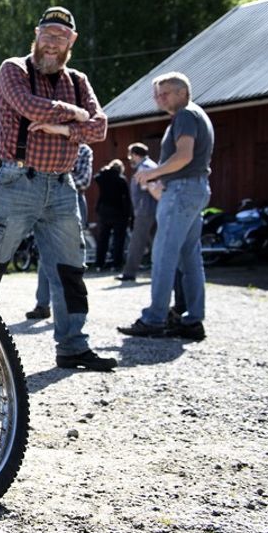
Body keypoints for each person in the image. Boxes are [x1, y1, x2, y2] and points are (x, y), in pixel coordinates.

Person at [0, 6, 117, 371]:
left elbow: (100, 129)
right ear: (36, 35)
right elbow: (28, 106)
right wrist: (77, 116)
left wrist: (64, 129)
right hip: (17, 181)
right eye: (48, 35)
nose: (53, 43)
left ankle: (72, 346)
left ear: (72, 41)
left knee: (70, 269)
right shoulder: (14, 69)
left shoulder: (79, 80)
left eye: (61, 37)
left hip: (63, 187)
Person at [118, 72, 213, 341]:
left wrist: (153, 173)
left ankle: (154, 319)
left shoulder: (185, 115)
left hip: (182, 190)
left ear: (183, 92)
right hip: (195, 189)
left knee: (163, 255)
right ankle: (192, 320)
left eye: (166, 93)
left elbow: (184, 156)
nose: (160, 98)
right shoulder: (197, 114)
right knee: (190, 258)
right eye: (157, 94)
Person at [26, 143, 91, 320]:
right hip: (46, 202)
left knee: (71, 260)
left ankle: (71, 315)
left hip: (73, 202)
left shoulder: (83, 150)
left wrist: (56, 180)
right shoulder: (52, 145)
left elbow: (84, 180)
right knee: (45, 256)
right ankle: (42, 305)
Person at [117, 143, 159, 281]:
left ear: (135, 154)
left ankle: (129, 273)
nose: (130, 159)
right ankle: (161, 273)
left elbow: (151, 187)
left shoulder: (146, 167)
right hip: (150, 210)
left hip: (146, 211)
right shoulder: (149, 165)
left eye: (130, 155)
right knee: (157, 242)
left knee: (137, 242)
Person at [93, 159, 131, 271]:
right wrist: (129, 214)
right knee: (118, 239)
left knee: (102, 239)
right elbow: (127, 199)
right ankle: (116, 264)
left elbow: (97, 176)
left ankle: (99, 263)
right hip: (119, 211)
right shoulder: (121, 180)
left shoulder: (102, 178)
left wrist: (104, 170)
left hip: (104, 210)